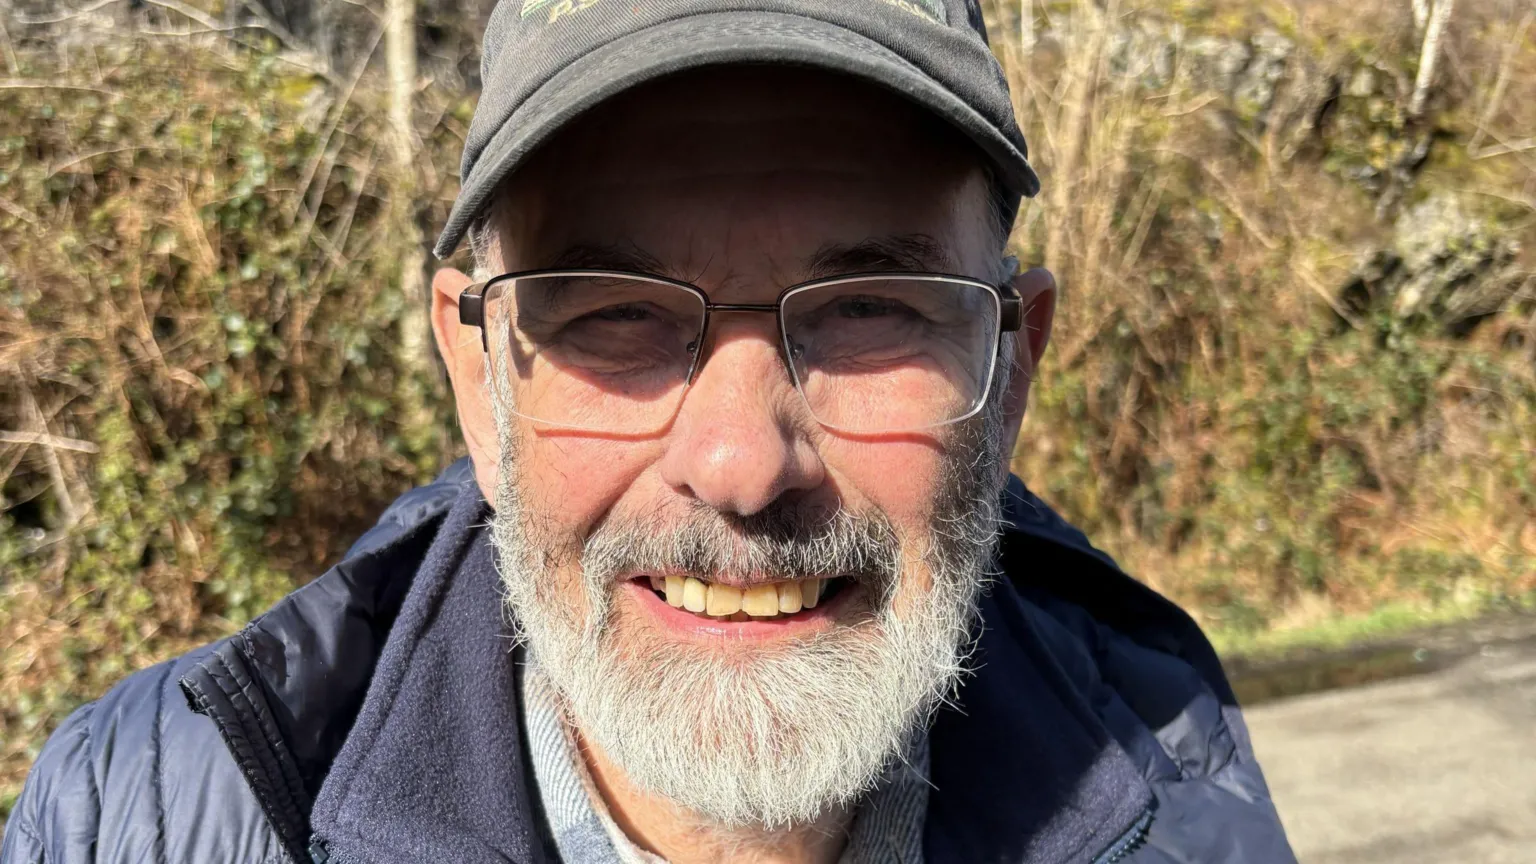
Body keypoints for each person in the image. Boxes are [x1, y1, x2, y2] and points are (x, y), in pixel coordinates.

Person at [2, 2, 1295, 862]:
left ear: (1011, 368)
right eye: (615, 314)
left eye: (865, 312)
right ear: (475, 369)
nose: (739, 465)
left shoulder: (1168, 768)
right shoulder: (153, 814)